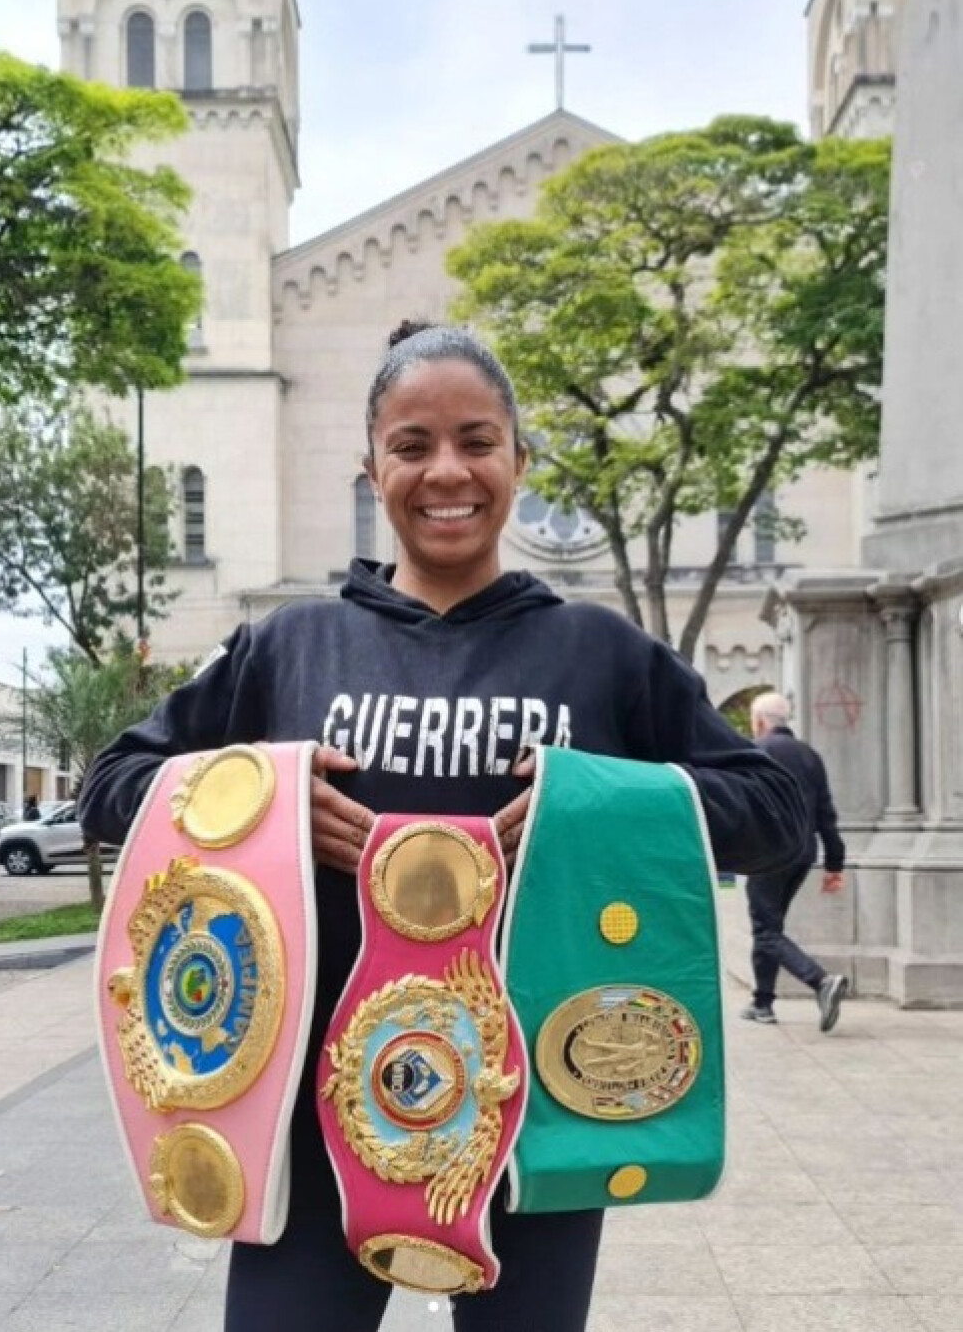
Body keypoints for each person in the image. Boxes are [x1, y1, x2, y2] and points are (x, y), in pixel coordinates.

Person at [79, 321, 806, 1332]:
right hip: (306, 1120)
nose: (446, 471)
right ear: (371, 465)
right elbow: (114, 781)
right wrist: (272, 801)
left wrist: (584, 811)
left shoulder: (596, 651)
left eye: (475, 439)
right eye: (412, 446)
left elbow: (776, 816)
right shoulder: (291, 644)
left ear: (518, 456)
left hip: (536, 1116)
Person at [741, 690, 849, 1032]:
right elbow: (826, 813)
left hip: (769, 853)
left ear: (759, 722)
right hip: (803, 853)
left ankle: (820, 982)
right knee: (771, 927)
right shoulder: (810, 756)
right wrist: (835, 863)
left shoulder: (756, 752)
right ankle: (762, 1002)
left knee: (766, 928)